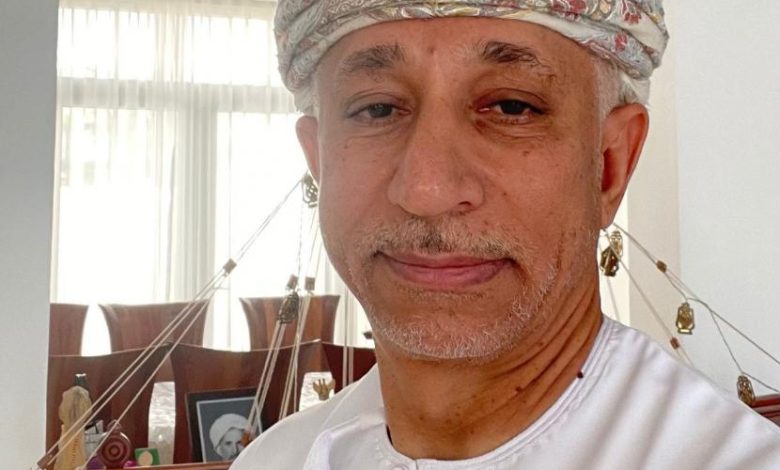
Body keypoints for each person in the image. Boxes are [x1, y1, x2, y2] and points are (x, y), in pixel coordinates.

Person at [233, 1, 780, 468]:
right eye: (377, 108)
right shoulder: (274, 460)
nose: (427, 189)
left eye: (512, 107)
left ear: (610, 166)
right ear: (318, 161)